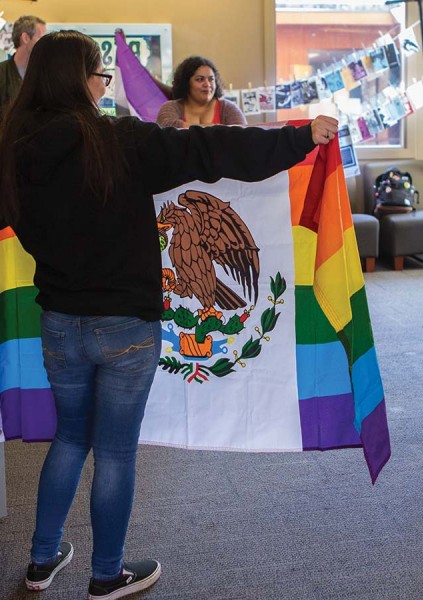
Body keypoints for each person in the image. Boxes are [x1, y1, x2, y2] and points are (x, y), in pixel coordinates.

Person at [0, 30, 337, 599]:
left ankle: (40, 561)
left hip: (59, 321)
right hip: (126, 324)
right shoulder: (115, 140)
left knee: (69, 439)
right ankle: (106, 575)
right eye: (99, 73)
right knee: (112, 450)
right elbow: (212, 152)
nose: (105, 83)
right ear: (79, 81)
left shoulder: (13, 146)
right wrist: (298, 138)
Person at [156, 55, 246, 127]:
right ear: (186, 83)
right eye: (200, 79)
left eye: (211, 79)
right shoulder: (171, 108)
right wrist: (215, 129)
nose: (207, 84)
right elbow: (167, 128)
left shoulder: (229, 109)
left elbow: (242, 138)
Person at [0, 15, 46, 113]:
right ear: (25, 38)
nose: (46, 45)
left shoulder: (47, 74)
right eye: (41, 38)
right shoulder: (2, 74)